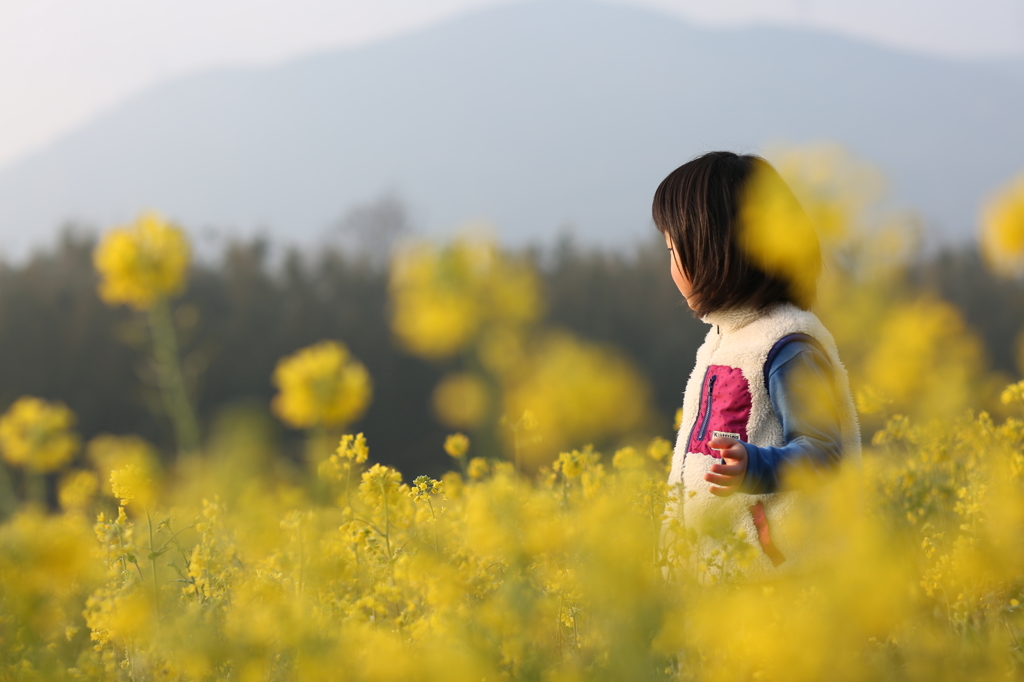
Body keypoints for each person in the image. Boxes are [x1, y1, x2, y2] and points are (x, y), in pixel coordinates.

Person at [654, 151, 861, 582]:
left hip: (774, 585)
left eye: (674, 250)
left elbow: (825, 453)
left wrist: (755, 467)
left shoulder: (788, 347)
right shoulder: (724, 342)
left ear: (718, 251)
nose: (671, 267)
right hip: (719, 584)